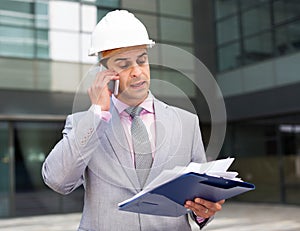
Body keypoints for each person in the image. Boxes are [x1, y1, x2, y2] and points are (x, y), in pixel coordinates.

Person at [42, 10, 224, 231]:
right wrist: (97, 114)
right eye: (124, 64)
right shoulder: (84, 124)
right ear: (104, 71)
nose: (137, 72)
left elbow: (199, 197)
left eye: (141, 60)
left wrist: (203, 212)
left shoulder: (187, 123)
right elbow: (57, 181)